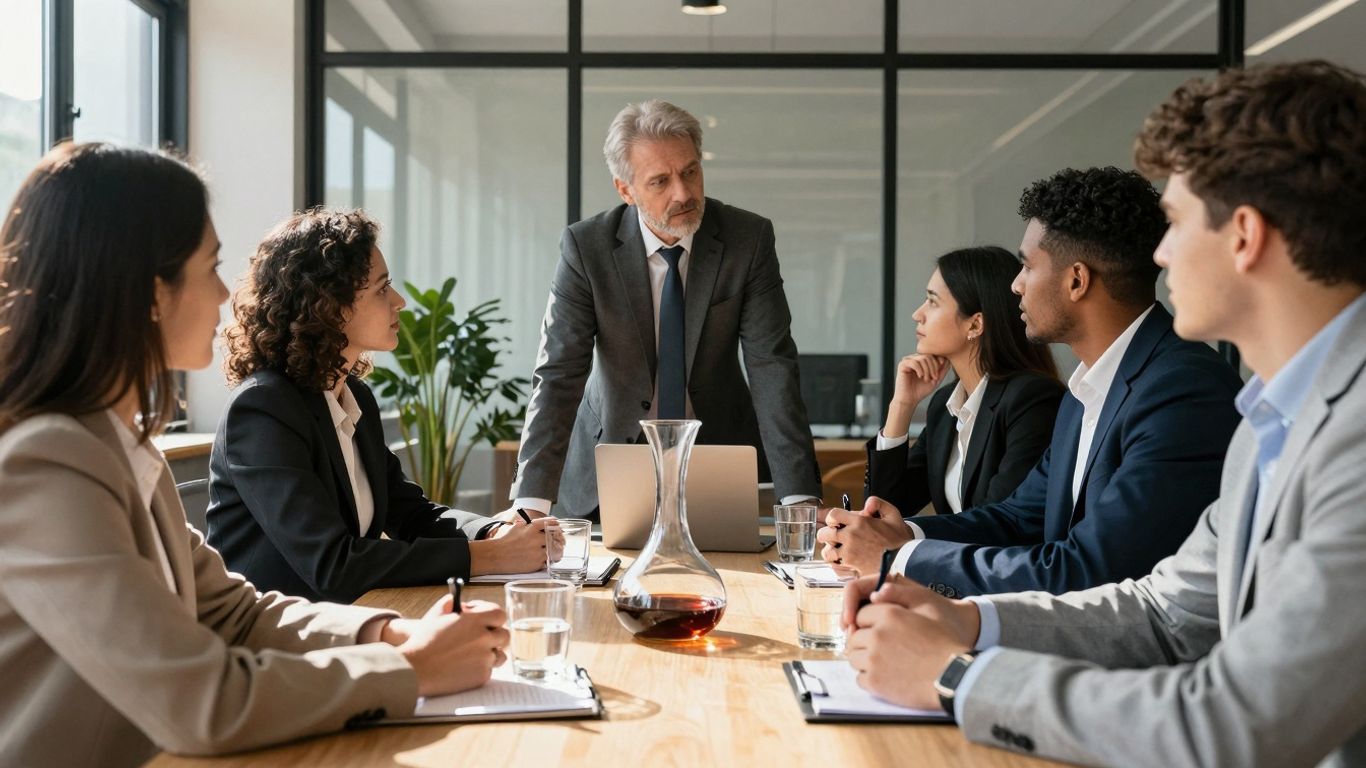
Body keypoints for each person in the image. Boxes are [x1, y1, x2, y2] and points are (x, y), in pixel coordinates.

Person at [841, 60, 1366, 767]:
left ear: (1244, 235)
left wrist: (956, 674)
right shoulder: (1270, 419)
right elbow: (1162, 612)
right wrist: (966, 619)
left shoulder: (1349, 438)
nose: (1158, 252)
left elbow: (1236, 724)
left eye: (1176, 223)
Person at [0, 144, 510, 767]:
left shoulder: (122, 446)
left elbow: (232, 612)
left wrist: (388, 631)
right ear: (150, 292)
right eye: (209, 266)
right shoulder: (45, 466)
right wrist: (408, 667)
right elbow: (200, 701)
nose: (223, 293)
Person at [820, 166, 1243, 596]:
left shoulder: (1181, 391)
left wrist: (902, 559)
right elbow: (1018, 517)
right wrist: (905, 536)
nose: (1016, 286)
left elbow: (1092, 569)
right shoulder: (1085, 392)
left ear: (1076, 280)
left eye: (1026, 266)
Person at [207, 208, 556, 603]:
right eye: (381, 289)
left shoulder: (353, 397)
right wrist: (487, 557)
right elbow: (333, 564)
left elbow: (411, 513)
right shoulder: (263, 411)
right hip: (270, 642)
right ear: (328, 304)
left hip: (344, 619)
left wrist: (492, 532)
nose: (400, 301)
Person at [510, 99, 821, 518]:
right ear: (626, 190)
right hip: (609, 465)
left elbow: (773, 367)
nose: (684, 193)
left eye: (690, 172)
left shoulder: (747, 240)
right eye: (660, 181)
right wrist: (530, 503)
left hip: (716, 462)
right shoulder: (588, 249)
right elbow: (559, 373)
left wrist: (799, 498)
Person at [866, 246, 1063, 518]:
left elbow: (1001, 522)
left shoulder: (1031, 400)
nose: (917, 314)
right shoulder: (945, 408)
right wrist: (901, 405)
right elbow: (882, 510)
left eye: (932, 301)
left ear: (975, 324)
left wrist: (915, 540)